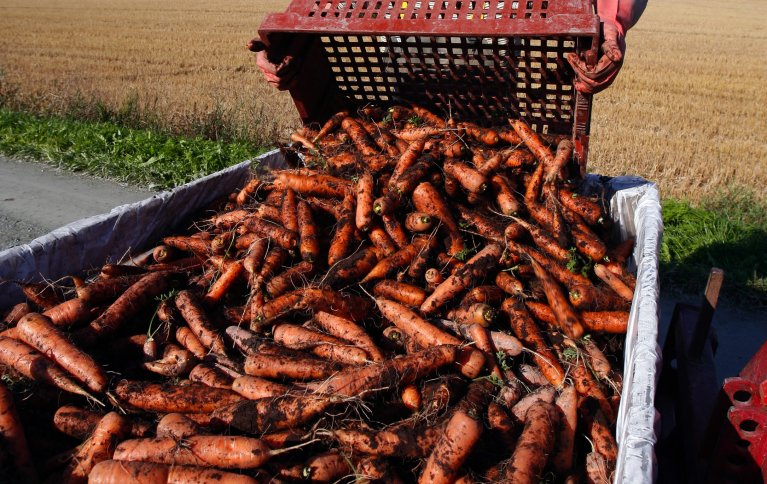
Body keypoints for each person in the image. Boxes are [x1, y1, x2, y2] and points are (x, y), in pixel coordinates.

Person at [255, 0, 647, 95]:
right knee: (404, 132)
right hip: (402, 32)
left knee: (494, 152)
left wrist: (611, 20)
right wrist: (297, 26)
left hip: (497, 34)